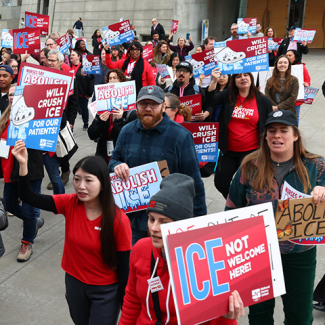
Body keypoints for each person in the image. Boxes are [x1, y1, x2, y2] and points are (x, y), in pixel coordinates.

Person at [12, 143, 132, 325]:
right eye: (77, 179)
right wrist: (23, 165)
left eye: (89, 180)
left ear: (102, 184)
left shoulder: (119, 220)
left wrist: (127, 308)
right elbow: (29, 197)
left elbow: (124, 268)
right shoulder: (70, 203)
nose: (81, 186)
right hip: (74, 284)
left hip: (105, 291)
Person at [226, 109, 325, 325]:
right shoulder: (249, 165)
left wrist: (323, 191)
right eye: (271, 131)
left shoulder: (316, 166)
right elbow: (232, 209)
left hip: (300, 255)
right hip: (258, 254)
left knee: (299, 316)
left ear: (295, 135)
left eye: (283, 130)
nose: (276, 136)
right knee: (259, 316)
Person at [120, 173, 245, 324]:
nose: (154, 228)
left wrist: (228, 318)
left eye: (164, 222)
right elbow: (132, 301)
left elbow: (214, 319)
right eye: (151, 219)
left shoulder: (205, 262)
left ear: (182, 226)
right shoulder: (140, 249)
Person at [108, 85, 207, 245]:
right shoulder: (126, 131)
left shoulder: (181, 136)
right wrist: (117, 165)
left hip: (166, 221)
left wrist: (198, 223)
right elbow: (114, 160)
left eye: (153, 104)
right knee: (135, 266)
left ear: (163, 106)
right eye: (143, 104)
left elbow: (193, 182)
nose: (148, 108)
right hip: (131, 221)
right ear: (136, 106)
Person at [205, 69, 273, 199]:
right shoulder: (227, 96)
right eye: (238, 76)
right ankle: (236, 202)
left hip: (252, 152)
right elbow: (210, 101)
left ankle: (244, 207)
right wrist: (214, 81)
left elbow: (269, 126)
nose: (243, 78)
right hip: (228, 151)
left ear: (251, 79)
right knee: (220, 182)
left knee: (250, 184)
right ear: (234, 81)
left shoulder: (263, 101)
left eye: (246, 75)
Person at [0, 86, 44, 262]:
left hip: (29, 171)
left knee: (28, 208)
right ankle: (33, 221)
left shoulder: (32, 116)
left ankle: (27, 242)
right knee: (9, 205)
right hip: (9, 171)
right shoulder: (5, 117)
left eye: (16, 94)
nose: (12, 97)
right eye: (10, 95)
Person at [88, 69, 137, 164]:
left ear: (121, 82)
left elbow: (130, 139)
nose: (112, 80)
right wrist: (100, 122)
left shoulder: (130, 112)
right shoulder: (103, 108)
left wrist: (120, 121)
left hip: (121, 159)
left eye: (115, 78)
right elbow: (92, 135)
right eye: (110, 78)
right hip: (103, 156)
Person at [46, 49, 79, 189]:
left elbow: (73, 103)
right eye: (49, 60)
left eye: (53, 60)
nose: (50, 63)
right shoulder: (43, 76)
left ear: (60, 62)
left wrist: (71, 121)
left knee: (63, 148)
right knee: (49, 148)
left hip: (62, 118)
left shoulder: (69, 79)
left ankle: (65, 170)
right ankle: (55, 174)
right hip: (46, 117)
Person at [70, 50, 94, 130]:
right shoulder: (69, 66)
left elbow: (90, 80)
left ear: (79, 57)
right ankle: (71, 126)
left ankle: (86, 123)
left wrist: (89, 93)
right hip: (71, 93)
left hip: (82, 93)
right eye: (70, 55)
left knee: (84, 109)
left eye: (73, 55)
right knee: (72, 111)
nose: (71, 56)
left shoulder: (84, 66)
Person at [286, 50, 310, 124]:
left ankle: (295, 133)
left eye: (290, 55)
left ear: (295, 57)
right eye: (286, 55)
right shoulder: (282, 67)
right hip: (284, 98)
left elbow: (307, 80)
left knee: (295, 116)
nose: (287, 57)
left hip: (297, 98)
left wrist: (306, 84)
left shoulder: (302, 68)